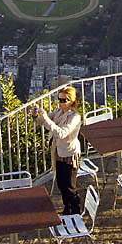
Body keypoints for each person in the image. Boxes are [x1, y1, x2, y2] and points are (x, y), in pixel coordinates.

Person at [34, 85, 82, 215]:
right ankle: (67, 208)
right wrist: (36, 116)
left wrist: (46, 119)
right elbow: (44, 122)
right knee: (61, 184)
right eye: (59, 100)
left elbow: (61, 133)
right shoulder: (59, 112)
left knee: (70, 186)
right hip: (59, 152)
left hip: (70, 154)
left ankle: (76, 211)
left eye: (64, 100)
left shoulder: (75, 117)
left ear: (72, 101)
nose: (60, 103)